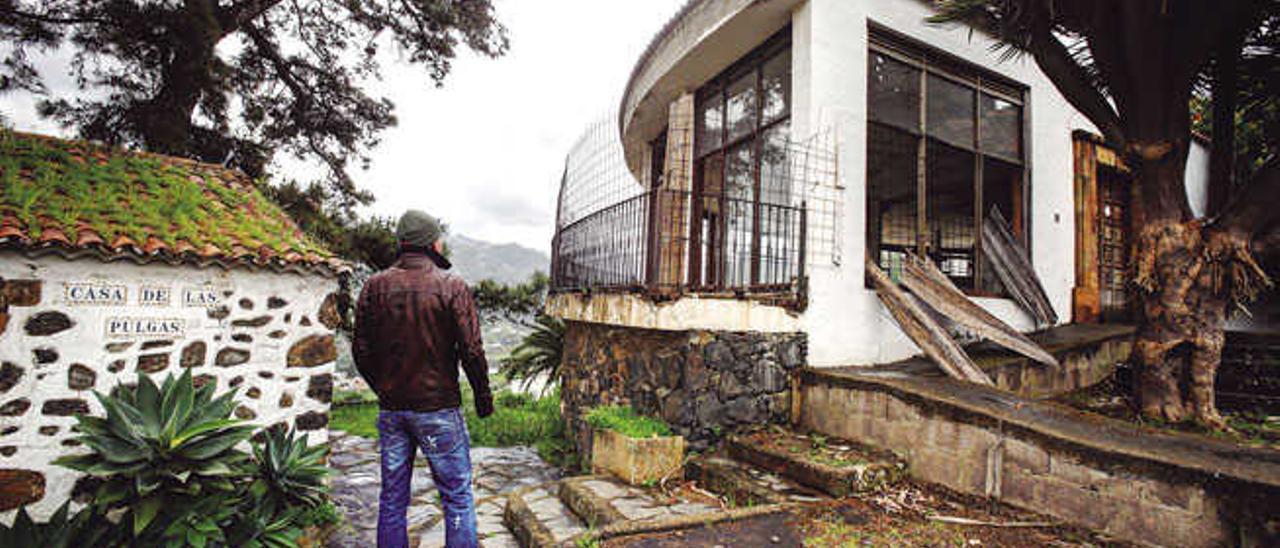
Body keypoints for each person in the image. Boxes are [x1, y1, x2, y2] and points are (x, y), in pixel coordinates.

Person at [354, 210, 494, 548]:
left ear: (402, 244)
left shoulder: (373, 286)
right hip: (438, 410)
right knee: (457, 495)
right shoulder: (451, 286)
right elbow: (471, 350)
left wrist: (384, 388)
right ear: (433, 243)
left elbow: (361, 350)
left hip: (393, 412)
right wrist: (482, 398)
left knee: (392, 498)